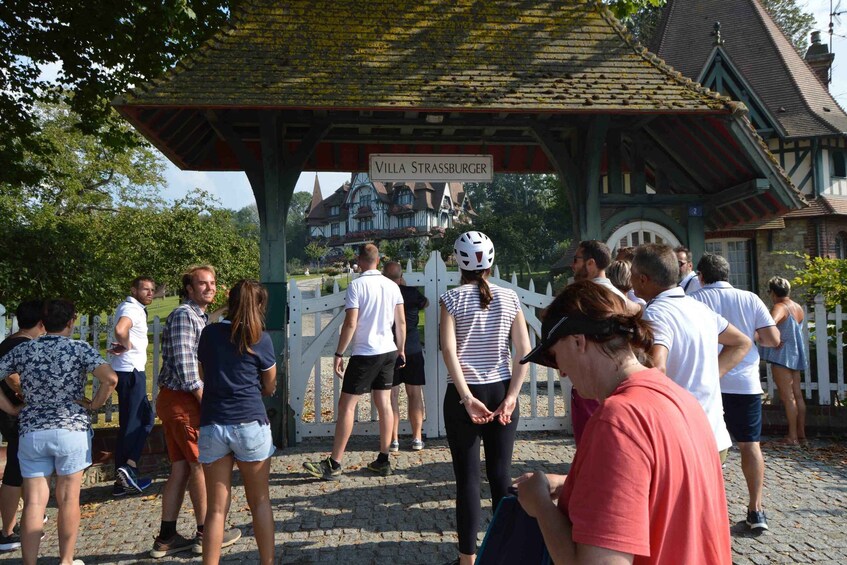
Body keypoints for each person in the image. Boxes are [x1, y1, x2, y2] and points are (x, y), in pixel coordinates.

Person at [515, 281, 731, 564]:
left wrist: (541, 505)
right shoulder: (681, 399)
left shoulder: (617, 420)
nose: (562, 374)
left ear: (578, 341)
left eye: (556, 358)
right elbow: (662, 490)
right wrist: (577, 484)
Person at [0, 299, 118, 565]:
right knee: (67, 499)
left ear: (43, 321)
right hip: (71, 428)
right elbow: (110, 378)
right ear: (71, 321)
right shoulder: (79, 349)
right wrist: (93, 405)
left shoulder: (25, 350)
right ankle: (66, 560)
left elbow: (4, 375)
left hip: (33, 430)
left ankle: (30, 562)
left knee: (33, 502)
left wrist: (11, 407)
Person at [440, 231, 531, 565]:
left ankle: (467, 560)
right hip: (502, 388)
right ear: (491, 261)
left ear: (458, 261)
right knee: (501, 475)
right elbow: (523, 350)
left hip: (466, 394)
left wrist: (465, 397)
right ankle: (504, 554)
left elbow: (448, 350)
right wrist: (511, 397)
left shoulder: (451, 299)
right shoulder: (509, 298)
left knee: (467, 480)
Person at [151, 265, 241, 558]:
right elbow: (187, 368)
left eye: (212, 283)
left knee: (180, 468)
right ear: (189, 289)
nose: (209, 288)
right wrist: (209, 404)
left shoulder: (199, 316)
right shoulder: (183, 316)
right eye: (202, 284)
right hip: (184, 402)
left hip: (179, 402)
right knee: (200, 466)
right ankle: (205, 533)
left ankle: (166, 537)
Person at [630, 244, 751, 459]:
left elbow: (657, 368)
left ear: (642, 279)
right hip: (714, 434)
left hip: (682, 437)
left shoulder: (657, 313)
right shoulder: (699, 308)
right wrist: (713, 374)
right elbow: (741, 342)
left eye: (632, 275)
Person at [692, 253, 779, 532]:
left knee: (705, 449)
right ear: (728, 274)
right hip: (745, 383)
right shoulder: (750, 298)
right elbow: (772, 339)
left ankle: (708, 512)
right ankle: (756, 510)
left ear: (700, 275)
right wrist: (748, 336)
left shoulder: (694, 300)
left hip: (708, 383)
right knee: (749, 444)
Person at [303, 244, 406, 479]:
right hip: (389, 350)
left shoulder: (357, 286)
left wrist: (339, 353)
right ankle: (383, 459)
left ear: (359, 261)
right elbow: (400, 323)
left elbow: (350, 323)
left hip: (366, 352)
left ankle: (335, 463)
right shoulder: (392, 286)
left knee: (346, 405)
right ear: (378, 260)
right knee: (384, 403)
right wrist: (401, 350)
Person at [197, 280, 276, 565]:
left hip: (213, 422)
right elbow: (269, 384)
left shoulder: (209, 334)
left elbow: (203, 374)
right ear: (258, 305)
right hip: (249, 421)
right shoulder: (260, 338)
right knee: (260, 502)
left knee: (216, 510)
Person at [570, 241, 639, 445]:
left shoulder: (579, 297)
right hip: (620, 381)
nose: (573, 265)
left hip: (588, 381)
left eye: (576, 260)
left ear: (591, 263)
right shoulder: (625, 300)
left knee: (588, 446)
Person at [0, 300, 44, 552]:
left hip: (10, 414)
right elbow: (13, 378)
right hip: (16, 417)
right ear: (41, 323)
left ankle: (29, 518)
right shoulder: (23, 346)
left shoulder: (8, 342)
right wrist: (26, 397)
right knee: (15, 473)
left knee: (24, 470)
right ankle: (7, 531)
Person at [109, 277, 156, 496]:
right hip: (131, 373)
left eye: (152, 290)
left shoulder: (131, 307)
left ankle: (126, 471)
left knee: (144, 418)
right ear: (133, 289)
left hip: (129, 371)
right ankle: (126, 473)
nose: (150, 293)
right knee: (133, 423)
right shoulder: (131, 308)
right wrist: (126, 344)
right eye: (145, 289)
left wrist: (125, 344)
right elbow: (121, 329)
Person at [383, 261, 428, 452]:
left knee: (392, 396)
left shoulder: (383, 294)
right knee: (414, 394)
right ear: (400, 277)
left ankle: (393, 440)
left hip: (390, 350)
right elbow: (425, 302)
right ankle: (417, 438)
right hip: (413, 349)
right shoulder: (411, 293)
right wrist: (405, 285)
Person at [760, 276, 807, 445]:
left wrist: (775, 339)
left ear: (773, 292)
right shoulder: (797, 307)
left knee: (788, 398)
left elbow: (769, 324)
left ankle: (792, 437)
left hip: (782, 357)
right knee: (798, 396)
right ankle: (801, 436)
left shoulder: (779, 306)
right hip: (796, 355)